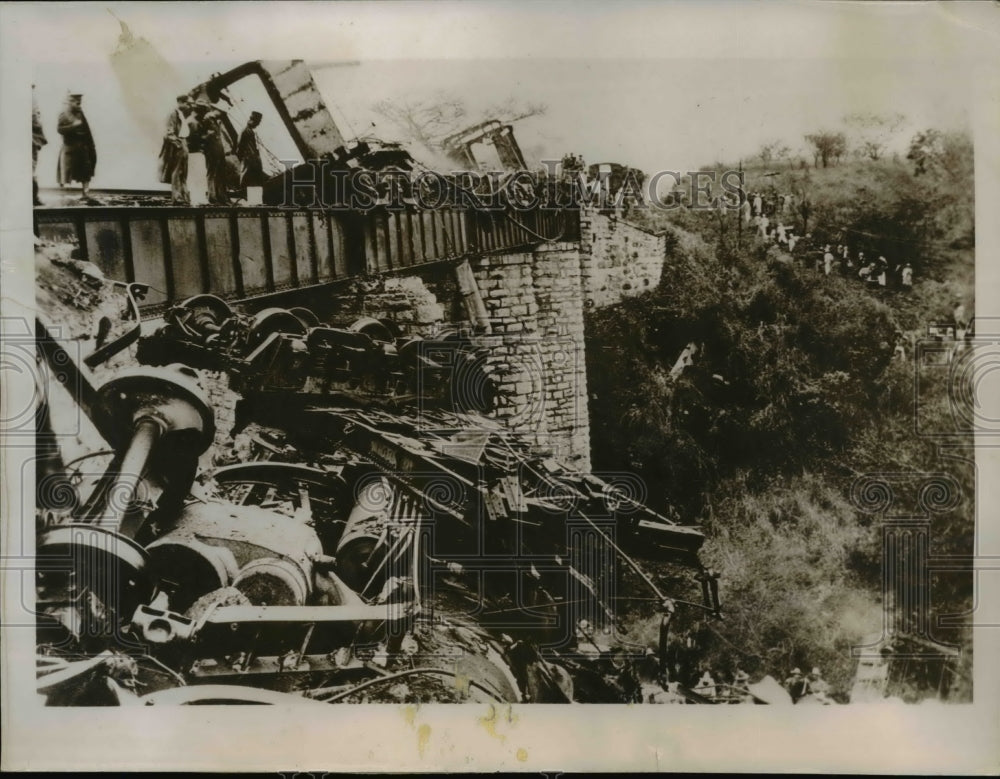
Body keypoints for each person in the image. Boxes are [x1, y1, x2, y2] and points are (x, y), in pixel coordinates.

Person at [56, 93, 97, 200]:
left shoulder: (80, 112)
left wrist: (91, 145)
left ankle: (86, 194)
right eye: (76, 101)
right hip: (69, 147)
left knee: (86, 172)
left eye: (80, 101)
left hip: (82, 147)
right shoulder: (64, 113)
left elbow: (87, 130)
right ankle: (63, 197)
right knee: (66, 173)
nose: (79, 103)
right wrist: (73, 127)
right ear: (70, 102)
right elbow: (60, 129)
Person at [159, 95, 192, 205]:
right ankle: (177, 198)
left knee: (183, 172)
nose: (188, 106)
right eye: (187, 103)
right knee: (177, 171)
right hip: (179, 145)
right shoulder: (173, 114)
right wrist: (178, 145)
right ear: (180, 102)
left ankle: (184, 197)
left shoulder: (180, 114)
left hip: (183, 143)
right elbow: (169, 133)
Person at [237, 110, 265, 190]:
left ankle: (255, 200)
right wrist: (246, 159)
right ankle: (251, 199)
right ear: (253, 120)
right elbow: (239, 148)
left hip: (254, 160)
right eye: (258, 122)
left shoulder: (251, 132)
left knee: (255, 182)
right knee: (249, 181)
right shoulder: (245, 132)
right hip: (249, 161)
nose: (258, 124)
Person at [32, 84, 47, 206]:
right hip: (31, 139)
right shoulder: (31, 98)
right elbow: (35, 119)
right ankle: (33, 197)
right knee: (30, 167)